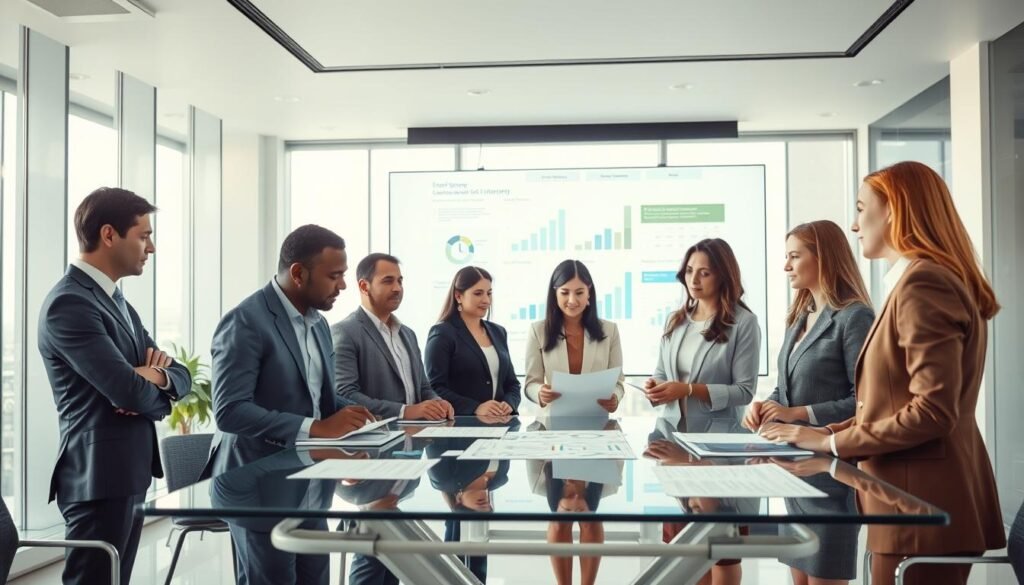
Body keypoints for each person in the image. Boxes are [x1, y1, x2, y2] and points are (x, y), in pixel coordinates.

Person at [760, 161, 1005, 585]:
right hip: (907, 500)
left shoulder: (923, 282)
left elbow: (933, 411)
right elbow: (889, 404)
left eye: (860, 208)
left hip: (917, 502)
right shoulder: (918, 280)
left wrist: (833, 440)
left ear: (893, 209)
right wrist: (823, 434)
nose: (855, 226)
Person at [38, 187, 191, 585]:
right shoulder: (69, 304)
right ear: (109, 235)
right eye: (143, 235)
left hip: (126, 472)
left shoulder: (117, 302)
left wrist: (152, 376)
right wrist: (139, 384)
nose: (151, 247)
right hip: (98, 478)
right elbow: (127, 392)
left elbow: (182, 376)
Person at [206, 224, 373, 585]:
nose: (342, 286)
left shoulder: (319, 324)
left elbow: (316, 398)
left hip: (310, 484)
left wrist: (359, 420)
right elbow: (230, 410)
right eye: (334, 276)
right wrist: (316, 428)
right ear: (298, 273)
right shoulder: (246, 322)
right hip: (259, 490)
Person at [743, 220, 873, 585]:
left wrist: (798, 414)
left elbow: (866, 402)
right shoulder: (799, 317)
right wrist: (764, 406)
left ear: (824, 259)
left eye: (795, 256)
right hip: (793, 475)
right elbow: (785, 391)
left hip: (830, 478)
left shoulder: (854, 317)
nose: (786, 266)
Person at [645, 238, 760, 422]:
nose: (693, 280)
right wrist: (654, 386)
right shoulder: (674, 320)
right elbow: (661, 373)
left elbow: (744, 391)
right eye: (689, 271)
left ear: (722, 276)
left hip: (718, 435)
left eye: (704, 273)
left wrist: (688, 390)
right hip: (670, 431)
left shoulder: (744, 323)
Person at [332, 253, 454, 420]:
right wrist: (405, 411)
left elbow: (424, 388)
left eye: (400, 281)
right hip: (375, 439)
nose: (397, 288)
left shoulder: (408, 334)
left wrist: (437, 402)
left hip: (414, 437)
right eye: (388, 281)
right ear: (364, 286)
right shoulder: (345, 332)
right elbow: (345, 395)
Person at [524, 260, 624, 412]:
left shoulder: (610, 331)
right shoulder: (538, 331)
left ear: (589, 292)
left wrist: (615, 397)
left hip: (596, 423)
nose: (572, 300)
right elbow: (531, 383)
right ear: (555, 293)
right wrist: (540, 392)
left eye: (579, 292)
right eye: (564, 292)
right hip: (553, 423)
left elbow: (618, 382)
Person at [424, 266, 521, 416]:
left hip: (500, 423)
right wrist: (475, 408)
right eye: (478, 293)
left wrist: (509, 403)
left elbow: (512, 384)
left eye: (489, 293)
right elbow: (434, 388)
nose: (486, 300)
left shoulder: (498, 332)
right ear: (458, 296)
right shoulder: (443, 333)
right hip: (461, 425)